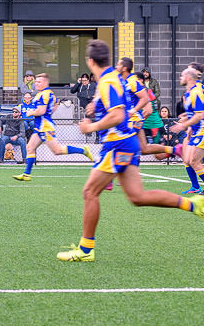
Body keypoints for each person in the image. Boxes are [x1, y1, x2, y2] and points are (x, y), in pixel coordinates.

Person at [57, 39, 204, 263]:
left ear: (89, 61)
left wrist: (92, 126)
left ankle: (86, 250)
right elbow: (118, 106)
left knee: (89, 193)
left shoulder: (108, 81)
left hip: (117, 144)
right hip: (127, 143)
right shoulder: (115, 79)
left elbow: (117, 114)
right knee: (138, 197)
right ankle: (193, 204)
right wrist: (96, 107)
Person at [13, 72, 94, 180]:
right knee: (30, 147)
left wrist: (31, 112)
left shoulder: (44, 94)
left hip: (45, 127)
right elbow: (55, 104)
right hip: (39, 126)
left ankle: (84, 151)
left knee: (57, 151)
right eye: (36, 81)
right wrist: (48, 111)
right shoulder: (45, 93)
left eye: (39, 82)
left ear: (45, 83)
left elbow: (41, 111)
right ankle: (26, 174)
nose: (36, 83)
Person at [169, 63, 204, 194]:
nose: (180, 77)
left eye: (182, 75)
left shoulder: (197, 91)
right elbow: (194, 113)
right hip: (195, 130)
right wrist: (187, 124)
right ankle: (196, 186)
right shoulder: (188, 93)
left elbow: (200, 114)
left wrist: (184, 125)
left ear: (190, 76)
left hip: (201, 130)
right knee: (189, 160)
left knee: (194, 161)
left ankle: (196, 186)